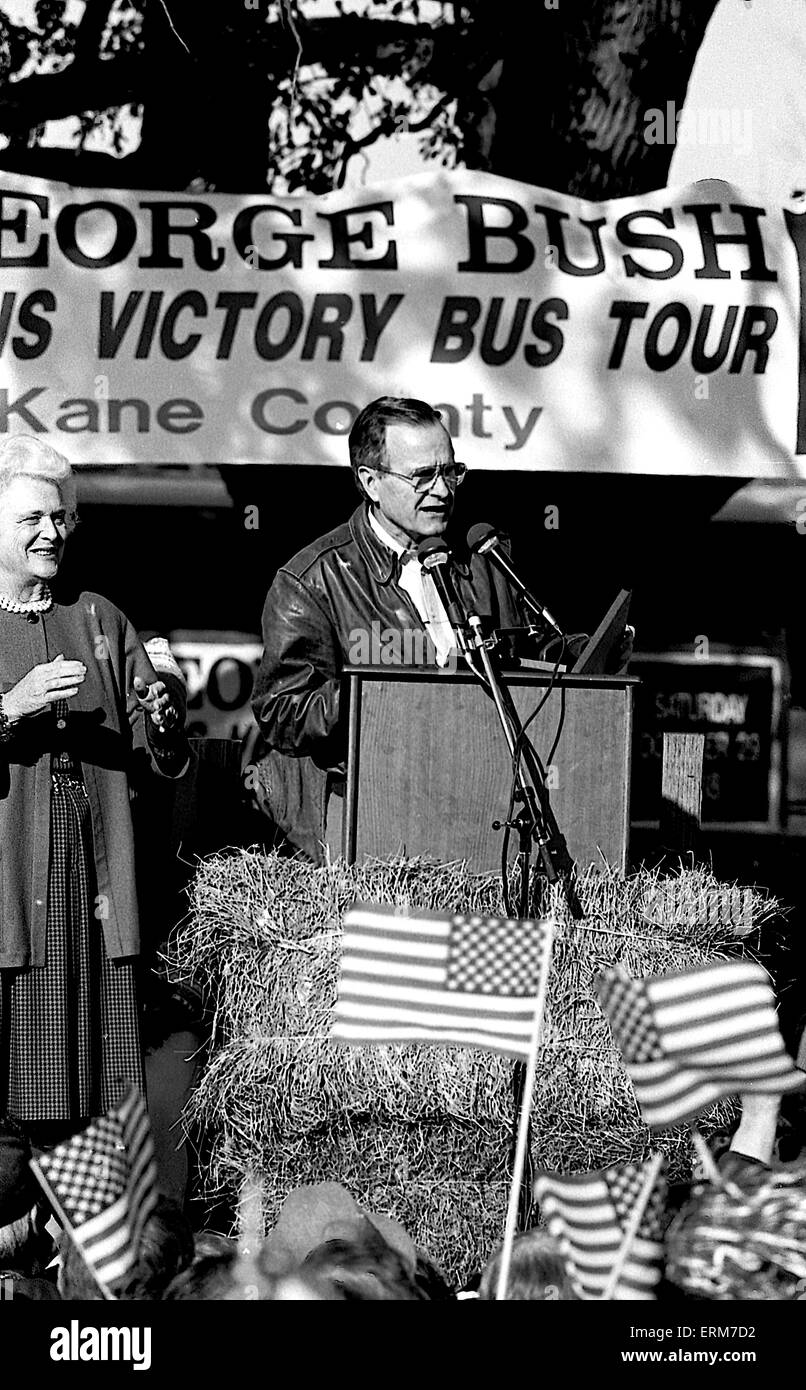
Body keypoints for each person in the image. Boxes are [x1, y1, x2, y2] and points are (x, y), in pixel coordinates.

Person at [0, 436, 189, 1143]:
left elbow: (157, 754)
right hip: (7, 886)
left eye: (60, 518)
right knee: (8, 1129)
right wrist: (9, 709)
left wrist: (165, 723)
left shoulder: (98, 620)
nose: (53, 532)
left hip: (88, 893)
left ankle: (74, 1244)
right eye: (31, 521)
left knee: (88, 1121)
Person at [250, 396, 530, 859]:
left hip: (489, 809)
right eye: (422, 476)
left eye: (451, 472)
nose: (442, 491)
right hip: (376, 813)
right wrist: (378, 693)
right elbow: (282, 714)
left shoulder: (485, 561)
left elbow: (527, 665)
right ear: (371, 482)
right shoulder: (313, 579)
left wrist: (581, 656)